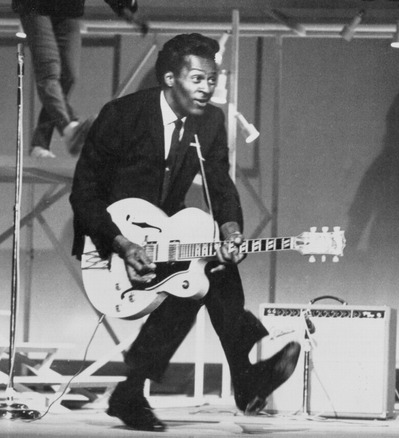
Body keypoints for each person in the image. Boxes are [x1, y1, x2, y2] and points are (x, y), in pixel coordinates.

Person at [69, 33, 301, 432]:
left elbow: (220, 185)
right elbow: (84, 194)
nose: (207, 88)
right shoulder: (121, 115)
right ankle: (236, 378)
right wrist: (122, 244)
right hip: (110, 246)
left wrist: (231, 231)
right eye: (198, 79)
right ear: (170, 78)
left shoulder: (209, 122)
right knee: (194, 282)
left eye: (212, 80)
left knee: (208, 272)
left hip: (165, 235)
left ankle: (225, 380)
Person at [0, 0, 138, 157]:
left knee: (69, 73)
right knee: (49, 71)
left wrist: (123, 6)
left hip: (67, 9)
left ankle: (40, 143)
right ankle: (69, 129)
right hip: (34, 7)